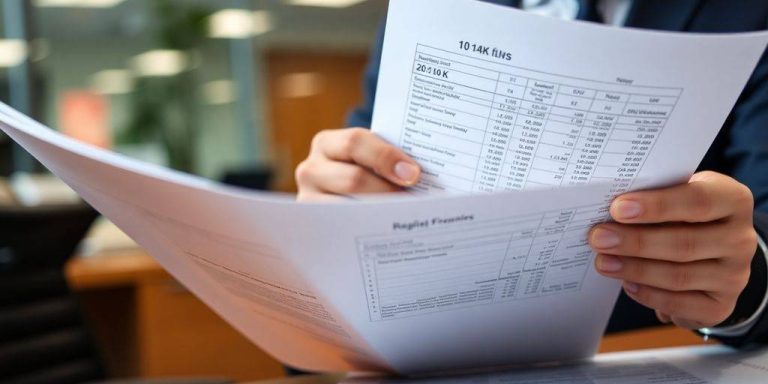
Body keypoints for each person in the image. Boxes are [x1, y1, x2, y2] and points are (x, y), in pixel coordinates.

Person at [295, 0, 768, 346]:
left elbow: (758, 223)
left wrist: (746, 281)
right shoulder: (427, 11)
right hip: (421, 350)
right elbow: (357, 186)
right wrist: (328, 221)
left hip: (645, 347)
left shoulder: (747, 12)